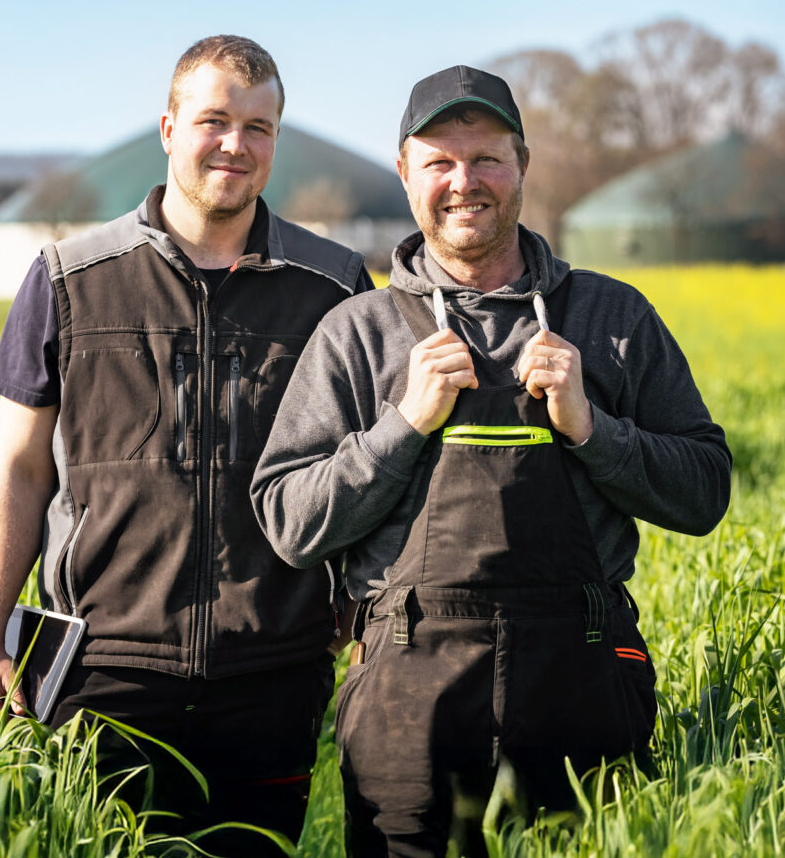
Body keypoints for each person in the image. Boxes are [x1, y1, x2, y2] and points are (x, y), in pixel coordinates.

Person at [252, 65, 732, 857]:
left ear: (523, 166)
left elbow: (704, 492)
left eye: (487, 159)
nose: (463, 181)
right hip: (409, 703)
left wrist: (591, 427)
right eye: (439, 161)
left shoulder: (612, 317)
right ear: (405, 172)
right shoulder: (358, 330)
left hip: (583, 684)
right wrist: (402, 426)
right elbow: (288, 520)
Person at [0, 34, 373, 852]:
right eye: (214, 119)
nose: (236, 144)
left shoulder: (334, 288)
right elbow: (17, 466)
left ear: (277, 141)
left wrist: (363, 616)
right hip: (97, 667)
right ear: (168, 127)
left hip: (274, 667)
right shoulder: (69, 277)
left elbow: (372, 462)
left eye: (259, 127)